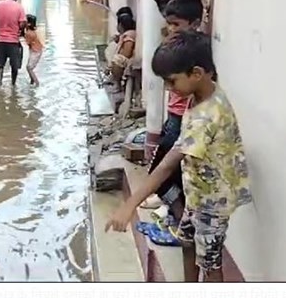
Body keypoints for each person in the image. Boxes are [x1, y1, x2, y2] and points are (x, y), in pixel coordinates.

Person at [106, 30, 252, 282]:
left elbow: (165, 167)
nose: (167, 89)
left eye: (171, 81)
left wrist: (130, 205)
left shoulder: (207, 116)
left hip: (213, 203)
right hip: (198, 194)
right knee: (187, 242)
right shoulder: (201, 92)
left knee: (210, 262)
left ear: (196, 73)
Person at [143, 0, 204, 228]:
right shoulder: (176, 46)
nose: (171, 29)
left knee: (163, 174)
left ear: (195, 24)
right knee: (167, 174)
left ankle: (180, 218)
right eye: (168, 24)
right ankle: (178, 215)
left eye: (176, 24)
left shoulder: (194, 52)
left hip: (182, 120)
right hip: (175, 118)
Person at [0, 0, 27, 86]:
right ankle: (13, 84)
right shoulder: (19, 7)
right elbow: (23, 23)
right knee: (14, 65)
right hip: (13, 41)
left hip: (0, 40)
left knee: (0, 64)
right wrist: (21, 31)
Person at [24, 14, 44, 86]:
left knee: (29, 68)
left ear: (28, 24)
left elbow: (28, 43)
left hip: (35, 51)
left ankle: (37, 83)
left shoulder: (29, 33)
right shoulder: (32, 31)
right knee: (28, 67)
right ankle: (32, 81)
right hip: (36, 50)